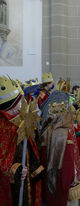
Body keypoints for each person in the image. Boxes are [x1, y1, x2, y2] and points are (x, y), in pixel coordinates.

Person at [0, 75, 44, 206]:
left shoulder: (21, 122)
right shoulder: (4, 127)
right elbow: (3, 160)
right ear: (12, 107)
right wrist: (16, 170)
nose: (22, 104)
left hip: (27, 178)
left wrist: (34, 168)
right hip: (12, 185)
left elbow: (31, 146)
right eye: (20, 102)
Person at [40, 102, 80, 206]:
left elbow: (42, 156)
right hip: (61, 179)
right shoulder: (64, 134)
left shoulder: (45, 130)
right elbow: (68, 161)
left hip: (46, 176)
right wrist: (72, 178)